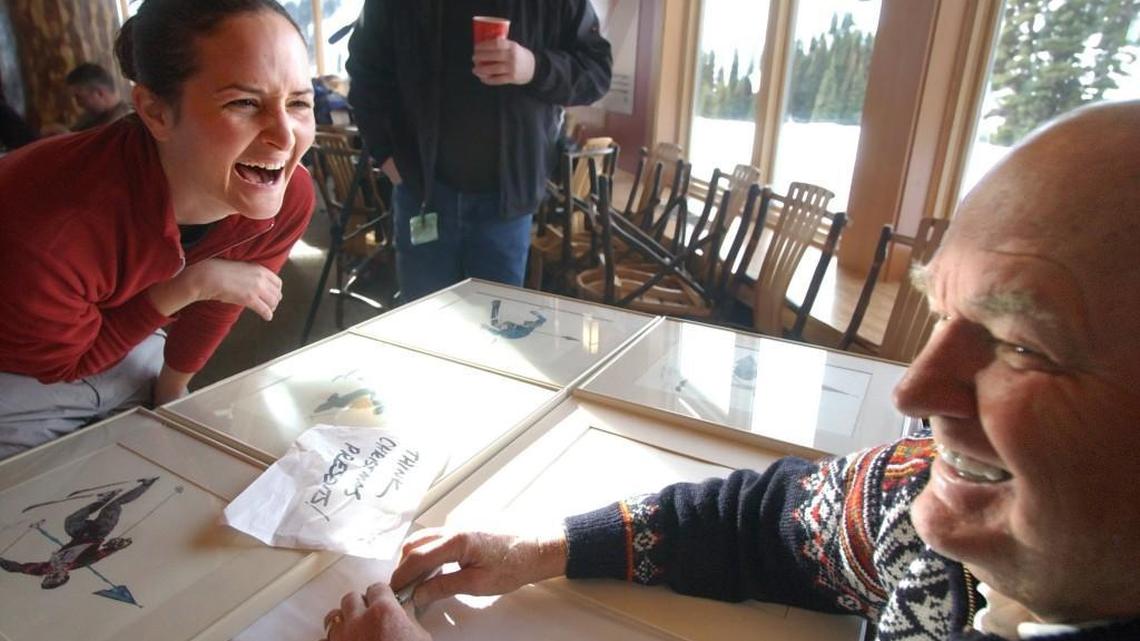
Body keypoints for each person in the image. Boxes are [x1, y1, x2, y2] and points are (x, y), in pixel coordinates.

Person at [321, 101, 1140, 640]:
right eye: (943, 312)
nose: (916, 392)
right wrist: (548, 547)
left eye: (1023, 346)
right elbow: (767, 519)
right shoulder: (925, 503)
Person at [0, 0, 316, 460]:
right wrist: (193, 284)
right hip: (22, 365)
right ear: (155, 111)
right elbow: (68, 364)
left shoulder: (288, 195)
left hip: (125, 333)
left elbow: (219, 305)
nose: (286, 138)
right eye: (245, 102)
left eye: (299, 103)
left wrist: (172, 392)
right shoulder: (50, 227)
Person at [345, 0, 612, 302]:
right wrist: (386, 155)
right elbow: (363, 73)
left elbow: (598, 73)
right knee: (423, 333)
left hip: (507, 205)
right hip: (421, 194)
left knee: (494, 333)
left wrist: (534, 67)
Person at [0, 477, 158, 589]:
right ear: (65, 576)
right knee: (114, 505)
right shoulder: (79, 563)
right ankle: (146, 485)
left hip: (79, 533)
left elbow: (18, 568)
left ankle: (102, 500)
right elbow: (101, 554)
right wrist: (117, 546)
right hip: (99, 532)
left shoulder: (46, 567)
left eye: (49, 578)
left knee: (70, 523)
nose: (52, 575)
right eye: (56, 578)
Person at [64, 62, 133, 131]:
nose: (78, 103)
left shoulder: (126, 123)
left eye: (79, 97)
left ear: (99, 93)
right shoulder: (90, 117)